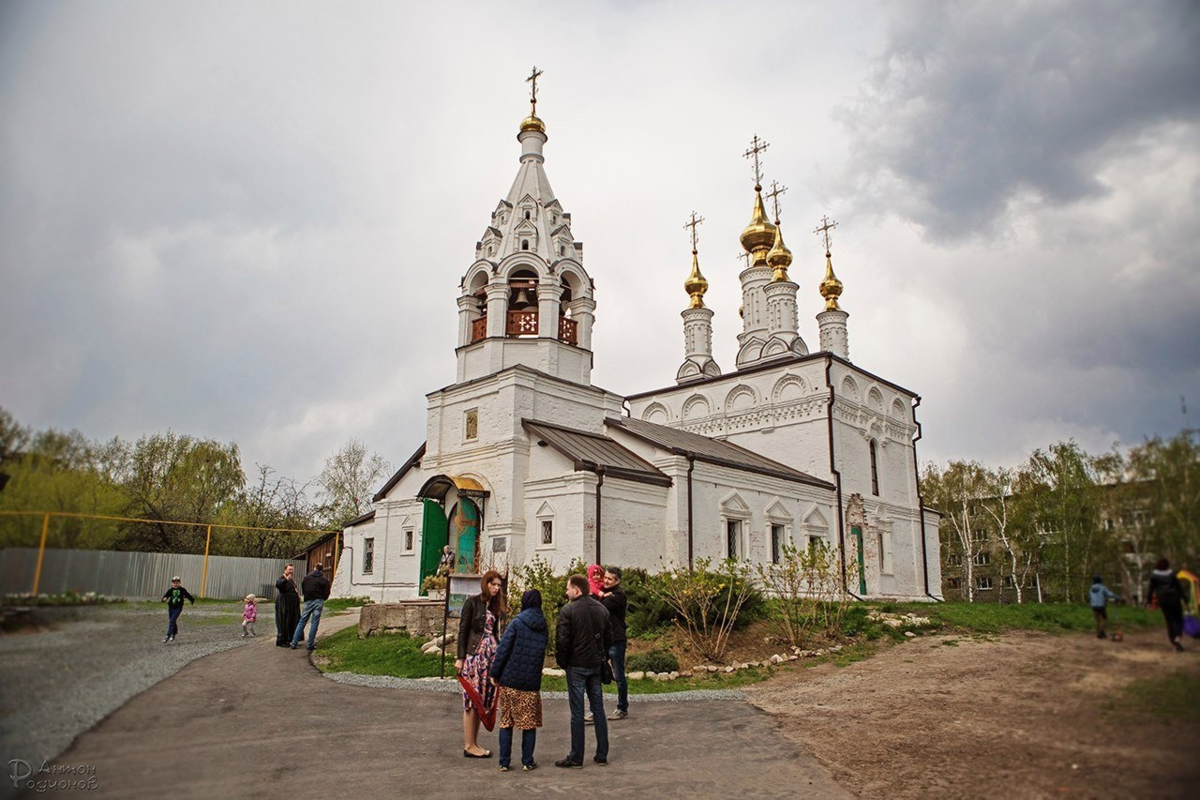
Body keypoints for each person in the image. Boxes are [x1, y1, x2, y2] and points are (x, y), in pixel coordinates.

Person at [555, 574, 613, 768]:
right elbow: (609, 638)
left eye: (568, 588)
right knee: (598, 708)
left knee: (577, 711)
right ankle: (602, 753)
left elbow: (562, 640)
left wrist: (564, 662)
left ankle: (577, 756)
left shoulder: (568, 611)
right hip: (595, 664)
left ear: (576, 590)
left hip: (576, 665)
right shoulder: (602, 609)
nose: (566, 591)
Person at [490, 589, 549, 772]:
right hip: (531, 682)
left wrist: (495, 673)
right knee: (528, 723)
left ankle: (504, 762)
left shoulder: (516, 623)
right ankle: (527, 760)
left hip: (511, 680)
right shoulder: (543, 625)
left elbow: (503, 650)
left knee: (507, 721)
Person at [457, 570, 506, 758]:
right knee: (471, 699)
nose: (495, 588)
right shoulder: (472, 603)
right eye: (492, 584)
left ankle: (474, 743)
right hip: (474, 656)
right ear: (485, 584)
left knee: (481, 701)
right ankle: (468, 744)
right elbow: (463, 631)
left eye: (498, 585)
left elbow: (495, 633)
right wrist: (460, 657)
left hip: (489, 657)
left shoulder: (495, 606)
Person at [599, 567, 629, 719]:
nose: (606, 581)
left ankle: (622, 707)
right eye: (605, 577)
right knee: (596, 674)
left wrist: (598, 595)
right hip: (603, 640)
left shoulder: (618, 595)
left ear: (617, 581)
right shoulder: (602, 593)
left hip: (616, 640)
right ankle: (595, 709)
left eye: (610, 579)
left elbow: (600, 607)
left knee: (619, 675)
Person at [1147, 558, 1186, 652]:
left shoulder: (1154, 576)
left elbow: (1150, 590)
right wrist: (1185, 599)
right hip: (1175, 599)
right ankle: (1178, 637)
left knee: (1170, 621)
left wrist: (1148, 601)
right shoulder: (1172, 574)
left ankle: (1175, 644)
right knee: (1178, 619)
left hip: (1164, 601)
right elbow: (1179, 587)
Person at [291, 563, 331, 651]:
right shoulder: (324, 580)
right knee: (314, 622)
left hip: (308, 600)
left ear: (314, 568)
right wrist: (323, 598)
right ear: (321, 570)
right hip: (318, 600)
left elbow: (303, 588)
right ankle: (310, 644)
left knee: (302, 621)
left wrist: (307, 596)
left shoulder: (307, 578)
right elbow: (327, 592)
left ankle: (294, 642)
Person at [161, 576, 195, 643]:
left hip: (178, 608)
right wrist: (164, 599)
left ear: (179, 583)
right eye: (174, 583)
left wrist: (192, 600)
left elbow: (188, 595)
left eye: (177, 583)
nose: (175, 584)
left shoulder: (182, 590)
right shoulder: (170, 590)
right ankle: (174, 633)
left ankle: (167, 635)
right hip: (171, 608)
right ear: (172, 583)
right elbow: (165, 596)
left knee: (172, 621)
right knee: (172, 621)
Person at [274, 564, 300, 647]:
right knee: (284, 620)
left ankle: (290, 638)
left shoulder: (291, 580)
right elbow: (278, 585)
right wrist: (286, 580)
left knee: (292, 620)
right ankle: (282, 640)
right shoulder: (282, 578)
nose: (291, 571)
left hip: (292, 603)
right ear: (285, 570)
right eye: (289, 569)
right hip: (284, 602)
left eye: (292, 569)